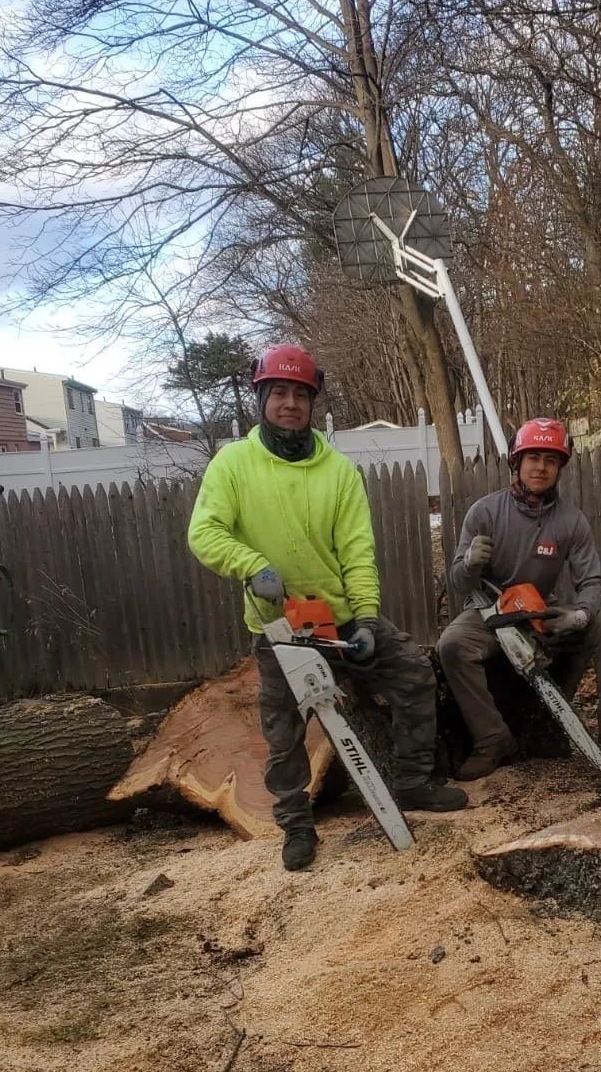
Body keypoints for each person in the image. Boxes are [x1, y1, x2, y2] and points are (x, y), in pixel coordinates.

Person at [187, 342, 467, 871]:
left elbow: (358, 552)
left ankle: (411, 781)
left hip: (337, 616)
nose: (290, 403)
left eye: (299, 394)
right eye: (280, 393)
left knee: (412, 673)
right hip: (278, 626)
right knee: (284, 729)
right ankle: (295, 823)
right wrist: (249, 564)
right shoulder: (234, 464)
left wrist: (363, 617)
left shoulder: (337, 471)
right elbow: (204, 532)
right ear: (262, 398)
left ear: (311, 402)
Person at [437, 417, 601, 780]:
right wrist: (469, 563)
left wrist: (580, 615)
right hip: (489, 612)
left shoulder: (571, 521)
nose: (540, 467)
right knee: (452, 645)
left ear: (560, 466)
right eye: (533, 458)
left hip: (541, 611)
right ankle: (492, 738)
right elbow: (458, 581)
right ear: (517, 461)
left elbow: (591, 580)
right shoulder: (484, 512)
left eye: (550, 459)